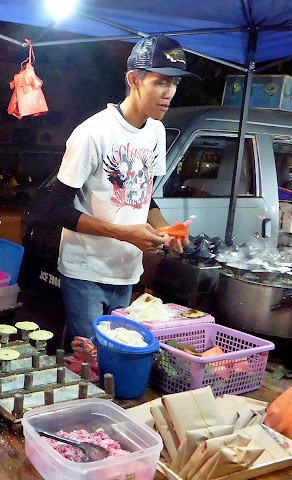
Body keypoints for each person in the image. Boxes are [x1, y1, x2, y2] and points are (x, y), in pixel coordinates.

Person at [49, 34, 197, 344]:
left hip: (127, 270)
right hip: (85, 270)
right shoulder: (93, 133)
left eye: (175, 84)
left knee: (118, 353)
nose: (169, 93)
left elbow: (145, 194)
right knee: (91, 355)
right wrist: (125, 233)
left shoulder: (156, 131)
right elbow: (54, 209)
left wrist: (165, 230)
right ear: (134, 79)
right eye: (160, 82)